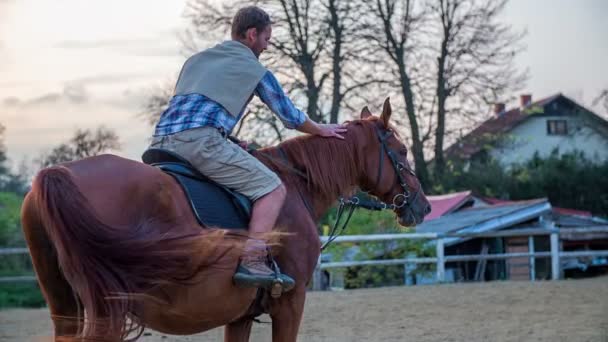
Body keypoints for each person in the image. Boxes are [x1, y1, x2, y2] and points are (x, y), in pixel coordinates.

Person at [149, 6, 347, 293]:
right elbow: (288, 114)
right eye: (266, 39)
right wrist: (321, 129)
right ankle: (253, 259)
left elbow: (195, 110)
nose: (266, 47)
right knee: (272, 187)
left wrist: (226, 139)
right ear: (252, 34)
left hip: (160, 142)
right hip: (200, 143)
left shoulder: (195, 61)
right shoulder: (253, 68)